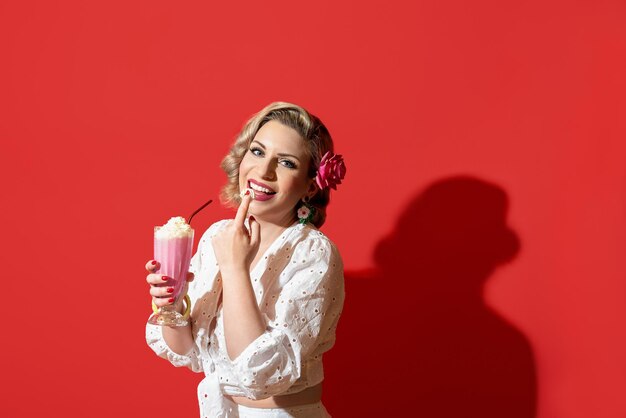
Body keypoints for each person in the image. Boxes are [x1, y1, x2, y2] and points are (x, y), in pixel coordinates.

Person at [145, 102, 347, 418]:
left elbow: (263, 376)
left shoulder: (313, 253)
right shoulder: (218, 235)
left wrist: (235, 267)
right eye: (257, 152)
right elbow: (189, 351)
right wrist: (172, 307)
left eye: (286, 163)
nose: (263, 172)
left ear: (310, 186)